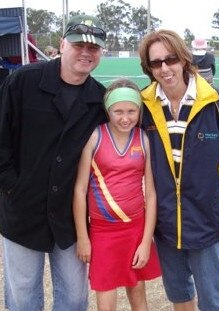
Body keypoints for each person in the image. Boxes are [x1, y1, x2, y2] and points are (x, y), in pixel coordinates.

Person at [0, 14, 107, 311]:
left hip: (71, 217)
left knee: (74, 298)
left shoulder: (100, 100)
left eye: (94, 48)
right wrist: (11, 186)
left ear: (101, 54)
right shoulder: (23, 81)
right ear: (62, 44)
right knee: (23, 298)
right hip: (22, 209)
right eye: (78, 45)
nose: (86, 52)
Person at [139, 29, 219, 311]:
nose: (165, 68)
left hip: (205, 220)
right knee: (179, 295)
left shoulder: (215, 102)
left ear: (184, 59)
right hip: (165, 224)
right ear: (149, 68)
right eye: (156, 63)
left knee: (213, 301)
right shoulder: (143, 106)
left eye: (171, 59)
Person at [73, 78, 161, 311]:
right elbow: (80, 190)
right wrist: (83, 237)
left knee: (138, 293)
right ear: (107, 110)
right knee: (106, 301)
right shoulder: (95, 137)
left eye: (131, 111)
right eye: (118, 111)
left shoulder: (143, 139)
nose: (125, 118)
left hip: (135, 229)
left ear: (139, 111)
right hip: (103, 232)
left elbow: (151, 194)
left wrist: (145, 241)